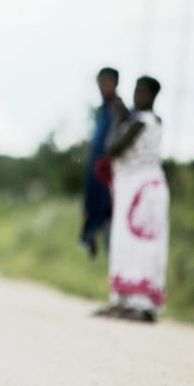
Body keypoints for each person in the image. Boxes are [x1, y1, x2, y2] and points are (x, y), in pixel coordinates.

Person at [96, 76, 168, 322]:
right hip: (137, 187)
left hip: (141, 188)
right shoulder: (143, 121)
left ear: (151, 95)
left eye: (141, 91)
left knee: (141, 246)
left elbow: (113, 149)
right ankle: (124, 299)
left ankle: (141, 302)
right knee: (127, 244)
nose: (136, 95)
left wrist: (118, 118)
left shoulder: (141, 122)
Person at [80, 67, 127, 259]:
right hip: (95, 172)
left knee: (108, 213)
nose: (103, 86)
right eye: (100, 82)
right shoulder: (101, 110)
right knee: (93, 208)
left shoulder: (120, 109)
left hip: (110, 174)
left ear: (116, 83)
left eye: (107, 82)